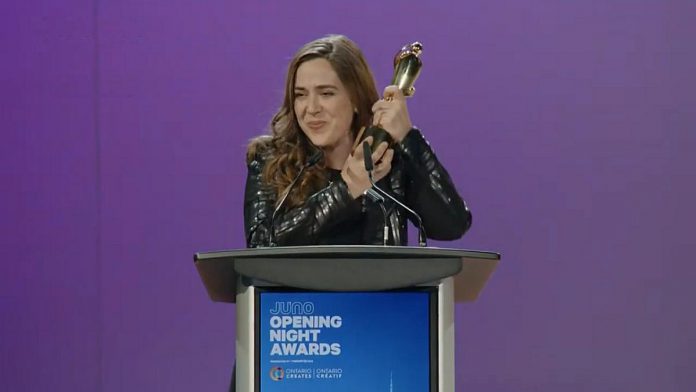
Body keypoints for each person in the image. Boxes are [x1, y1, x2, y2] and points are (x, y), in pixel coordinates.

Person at [244, 34, 471, 248]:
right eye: (301, 95)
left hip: (382, 290)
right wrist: (347, 189)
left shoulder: (389, 161)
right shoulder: (270, 159)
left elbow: (452, 225)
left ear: (355, 98)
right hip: (298, 292)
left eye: (326, 93)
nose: (311, 109)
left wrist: (407, 137)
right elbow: (261, 243)